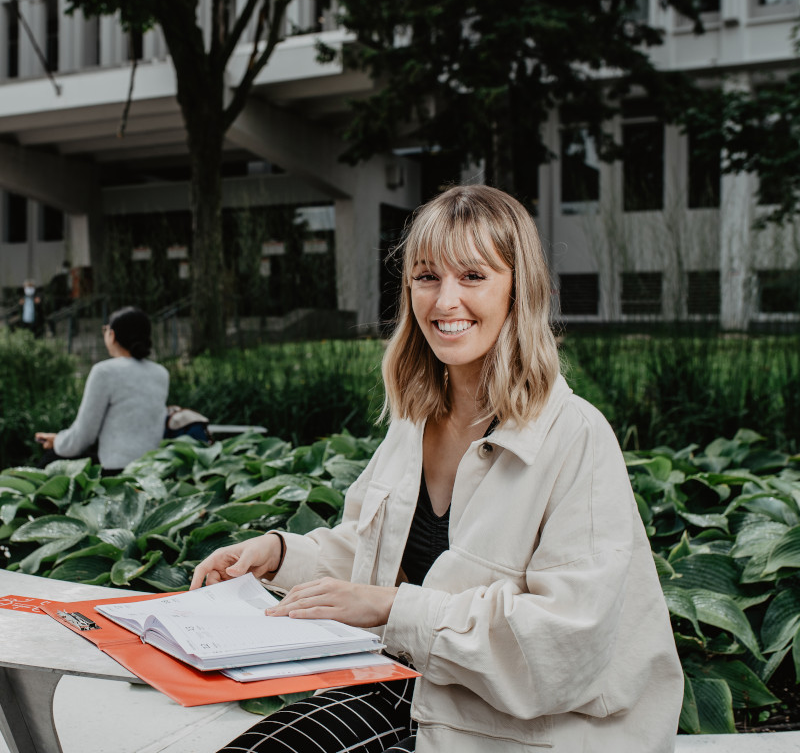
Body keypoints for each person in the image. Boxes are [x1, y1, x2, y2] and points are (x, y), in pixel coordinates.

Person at [192, 185, 683, 753]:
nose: (445, 301)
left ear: (518, 291)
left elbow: (563, 645)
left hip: (529, 733)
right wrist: (279, 555)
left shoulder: (576, 436)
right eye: (427, 277)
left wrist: (393, 610)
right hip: (415, 689)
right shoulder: (415, 420)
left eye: (472, 276)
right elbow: (375, 553)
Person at [35, 306, 169, 476]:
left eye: (105, 329)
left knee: (50, 461)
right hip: (151, 471)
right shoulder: (161, 373)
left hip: (115, 472)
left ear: (112, 335)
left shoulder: (104, 371)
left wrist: (58, 441)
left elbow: (84, 435)